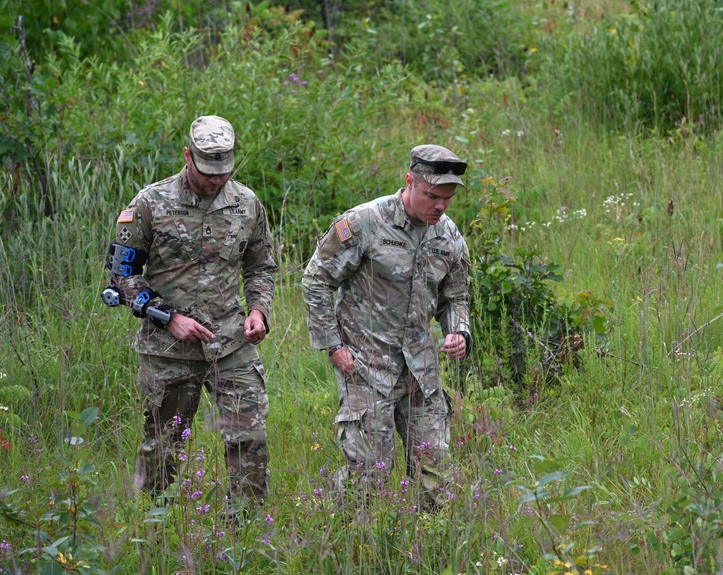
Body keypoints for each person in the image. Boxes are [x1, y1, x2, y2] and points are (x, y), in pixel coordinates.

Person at [106, 115, 276, 513]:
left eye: (223, 171)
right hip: (168, 349)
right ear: (188, 156)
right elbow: (121, 274)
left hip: (231, 342)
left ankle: (246, 532)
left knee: (248, 437)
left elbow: (260, 266)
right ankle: (153, 528)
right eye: (206, 172)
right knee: (163, 445)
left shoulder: (247, 204)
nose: (215, 180)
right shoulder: (150, 202)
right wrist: (167, 317)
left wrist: (259, 311)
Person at [302, 144, 471, 510]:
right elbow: (317, 280)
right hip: (365, 366)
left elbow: (456, 296)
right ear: (409, 181)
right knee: (369, 472)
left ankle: (434, 544)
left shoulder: (448, 236)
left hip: (421, 372)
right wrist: (332, 345)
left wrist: (459, 332)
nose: (439, 206)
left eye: (447, 198)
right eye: (431, 196)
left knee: (437, 472)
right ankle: (343, 536)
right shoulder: (366, 222)